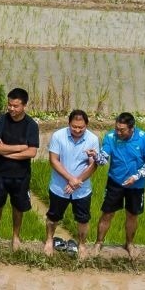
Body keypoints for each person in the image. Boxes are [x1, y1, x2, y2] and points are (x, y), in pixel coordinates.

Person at [89, 113, 145, 256]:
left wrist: (136, 177)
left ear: (132, 128)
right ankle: (98, 242)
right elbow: (103, 160)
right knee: (107, 213)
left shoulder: (144, 138)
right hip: (115, 182)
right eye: (117, 128)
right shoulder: (111, 137)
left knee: (132, 215)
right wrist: (95, 156)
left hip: (136, 185)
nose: (118, 132)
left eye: (122, 130)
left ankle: (129, 244)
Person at [0, 88, 39, 251]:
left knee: (18, 206)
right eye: (9, 105)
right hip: (0, 173)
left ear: (24, 105)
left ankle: (16, 236)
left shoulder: (31, 125)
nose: (11, 109)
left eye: (15, 106)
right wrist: (20, 147)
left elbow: (32, 152)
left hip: (21, 175)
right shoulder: (0, 121)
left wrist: (6, 151)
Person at [45, 109, 100, 254]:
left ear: (86, 125)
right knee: (53, 215)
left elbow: (93, 164)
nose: (77, 130)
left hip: (82, 189)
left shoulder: (92, 139)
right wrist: (71, 179)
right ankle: (49, 240)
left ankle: (82, 244)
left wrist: (77, 181)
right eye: (74, 126)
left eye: (81, 127)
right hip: (59, 187)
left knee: (83, 219)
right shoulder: (58, 136)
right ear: (69, 123)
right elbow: (53, 160)